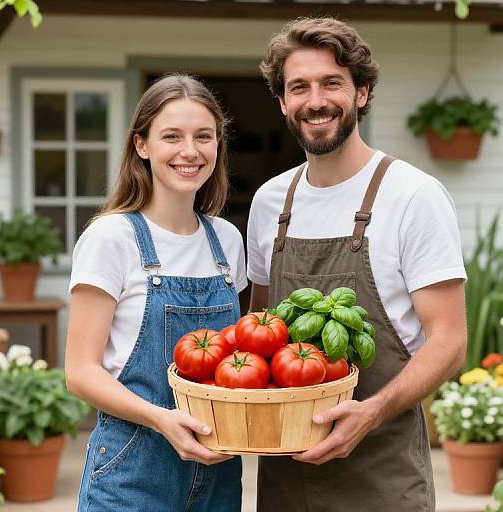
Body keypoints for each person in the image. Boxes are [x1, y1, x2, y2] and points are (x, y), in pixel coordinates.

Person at [247, 16, 467, 511]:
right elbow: (260, 331)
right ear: (283, 102)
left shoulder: (413, 195)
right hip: (285, 473)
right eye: (298, 86)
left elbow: (450, 342)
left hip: (382, 474)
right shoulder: (269, 203)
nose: (315, 100)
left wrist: (370, 412)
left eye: (332, 83)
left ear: (362, 93)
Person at [65, 74, 246, 511]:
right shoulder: (112, 237)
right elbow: (79, 372)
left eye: (204, 136)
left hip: (219, 472)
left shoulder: (226, 240)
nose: (190, 151)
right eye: (172, 136)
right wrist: (162, 420)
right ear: (142, 145)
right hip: (132, 470)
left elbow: (241, 360)